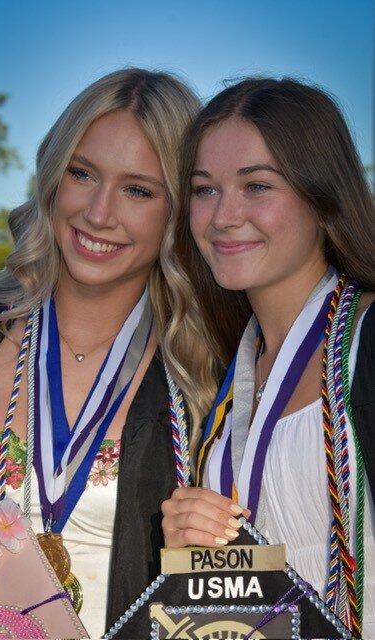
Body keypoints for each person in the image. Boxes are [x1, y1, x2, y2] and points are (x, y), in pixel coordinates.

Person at [0, 67, 200, 639]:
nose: (99, 212)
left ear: (178, 211)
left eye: (138, 189)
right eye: (83, 174)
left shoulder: (205, 371)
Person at [161, 77, 375, 638]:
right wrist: (190, 552)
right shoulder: (230, 373)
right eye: (204, 190)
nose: (223, 216)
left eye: (256, 186)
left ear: (322, 196)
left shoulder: (366, 343)